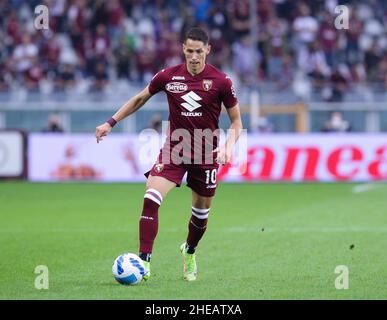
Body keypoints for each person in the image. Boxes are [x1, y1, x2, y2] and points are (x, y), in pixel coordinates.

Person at [95, 27, 243, 282]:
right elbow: (140, 98)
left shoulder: (222, 81)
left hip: (207, 151)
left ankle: (189, 250)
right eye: (190, 51)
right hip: (175, 147)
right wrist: (111, 122)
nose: (194, 56)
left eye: (199, 51)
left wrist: (228, 147)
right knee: (151, 198)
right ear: (183, 49)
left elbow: (237, 122)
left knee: (201, 214)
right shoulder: (168, 76)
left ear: (208, 50)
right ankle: (144, 262)